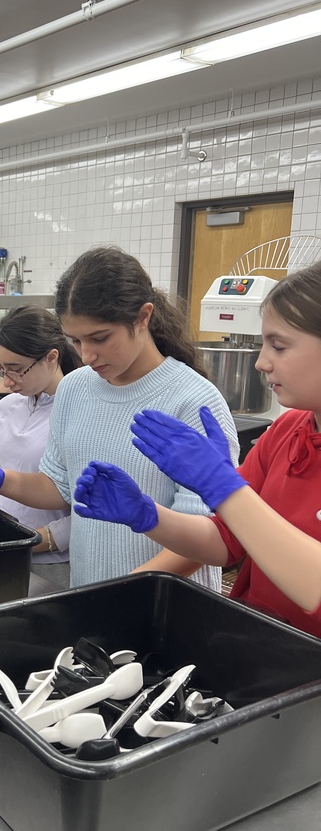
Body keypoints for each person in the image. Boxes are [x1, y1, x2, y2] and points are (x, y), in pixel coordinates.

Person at [0, 246, 239, 593]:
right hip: (90, 591)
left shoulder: (192, 400)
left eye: (100, 338)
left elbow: (208, 534)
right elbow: (61, 487)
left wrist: (119, 592)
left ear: (143, 317)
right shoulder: (75, 388)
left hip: (164, 600)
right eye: (75, 340)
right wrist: (1, 480)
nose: (87, 355)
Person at [73, 260, 321, 635]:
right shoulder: (287, 431)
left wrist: (225, 489)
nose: (261, 362)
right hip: (261, 639)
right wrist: (149, 516)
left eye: (279, 346)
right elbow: (227, 543)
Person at [0, 306, 81, 591]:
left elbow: (85, 507)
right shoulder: (6, 407)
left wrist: (33, 539)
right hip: (3, 552)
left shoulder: (79, 412)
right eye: (0, 368)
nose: (6, 381)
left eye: (16, 370)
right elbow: (4, 472)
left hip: (55, 563)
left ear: (51, 357)